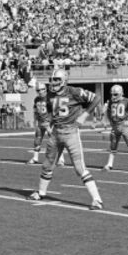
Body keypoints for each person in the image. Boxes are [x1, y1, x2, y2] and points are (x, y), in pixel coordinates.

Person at [28, 68, 104, 210]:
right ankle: (41, 192)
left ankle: (97, 200)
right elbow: (51, 109)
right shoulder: (50, 94)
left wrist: (85, 114)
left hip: (71, 132)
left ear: (64, 80)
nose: (54, 82)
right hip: (56, 132)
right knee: (47, 165)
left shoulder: (74, 92)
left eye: (57, 79)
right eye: (53, 79)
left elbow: (96, 98)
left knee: (79, 168)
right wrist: (50, 124)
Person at [101, 84, 128, 173]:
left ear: (121, 93)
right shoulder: (111, 102)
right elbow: (108, 111)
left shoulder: (127, 101)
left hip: (124, 126)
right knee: (113, 147)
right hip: (115, 126)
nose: (113, 96)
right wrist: (109, 120)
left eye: (115, 94)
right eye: (112, 94)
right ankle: (109, 164)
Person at [28, 82, 65, 166]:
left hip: (49, 123)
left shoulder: (50, 98)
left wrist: (50, 123)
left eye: (42, 89)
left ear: (45, 89)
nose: (40, 91)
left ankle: (61, 159)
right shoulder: (36, 99)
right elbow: (36, 111)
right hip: (40, 122)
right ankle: (35, 158)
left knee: (55, 141)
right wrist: (35, 121)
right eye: (38, 90)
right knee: (37, 140)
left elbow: (54, 112)